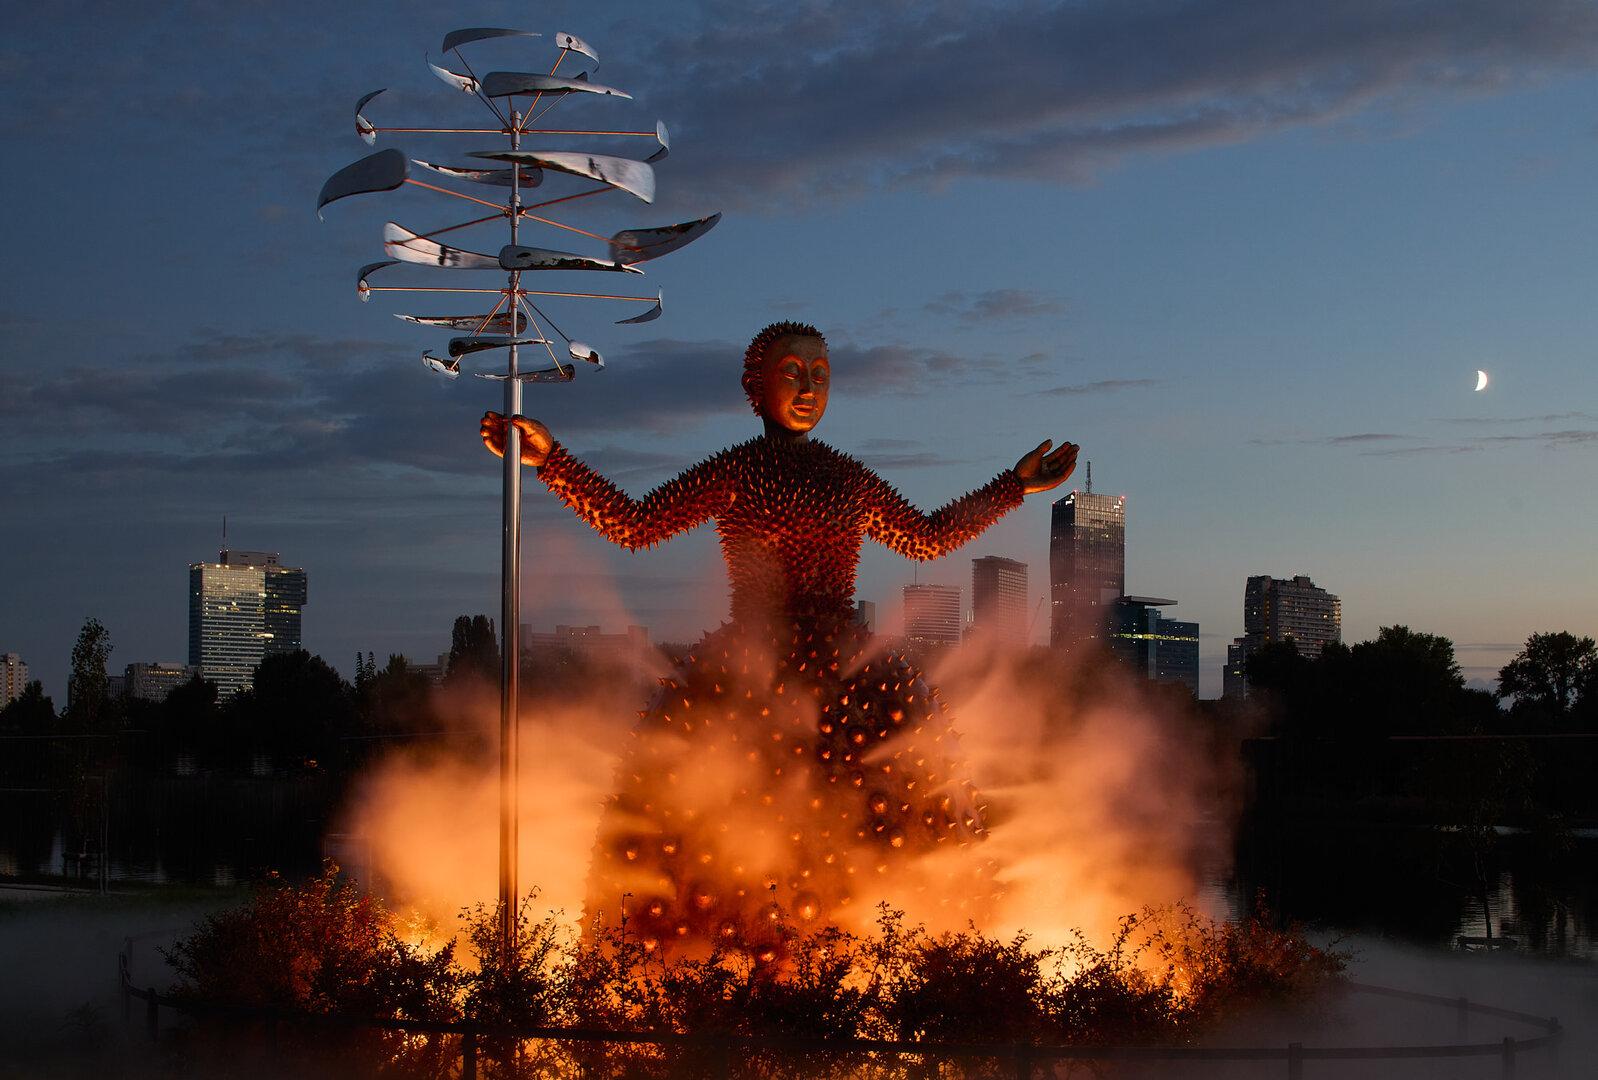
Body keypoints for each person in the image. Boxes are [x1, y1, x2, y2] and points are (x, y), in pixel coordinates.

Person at [482, 321, 1077, 956]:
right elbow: (634, 526)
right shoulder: (736, 471)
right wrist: (551, 460)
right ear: (754, 386)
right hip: (748, 670)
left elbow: (925, 538)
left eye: (820, 377)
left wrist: (1013, 487)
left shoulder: (848, 479)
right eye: (792, 373)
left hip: (851, 680)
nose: (807, 390)